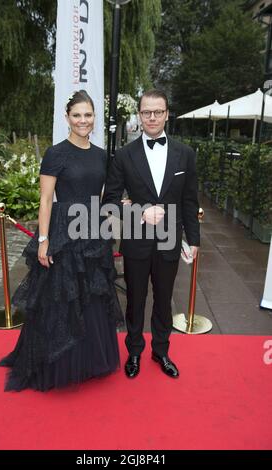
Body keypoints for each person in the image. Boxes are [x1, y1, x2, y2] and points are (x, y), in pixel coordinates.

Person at [0, 90, 123, 391]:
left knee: (92, 295)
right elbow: (45, 200)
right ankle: (58, 364)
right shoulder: (56, 153)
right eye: (77, 115)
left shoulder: (100, 155)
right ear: (67, 117)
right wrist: (43, 240)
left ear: (95, 119)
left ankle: (91, 360)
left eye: (88, 115)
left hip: (93, 231)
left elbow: (105, 195)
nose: (83, 120)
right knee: (62, 298)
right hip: (64, 233)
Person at [103, 89, 200, 379]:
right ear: (139, 115)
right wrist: (139, 212)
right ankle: (134, 351)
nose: (153, 117)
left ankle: (161, 351)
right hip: (136, 240)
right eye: (147, 112)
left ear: (167, 114)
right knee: (135, 298)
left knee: (164, 299)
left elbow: (189, 202)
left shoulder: (185, 154)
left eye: (158, 111)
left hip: (171, 237)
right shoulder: (123, 155)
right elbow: (109, 202)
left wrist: (193, 240)